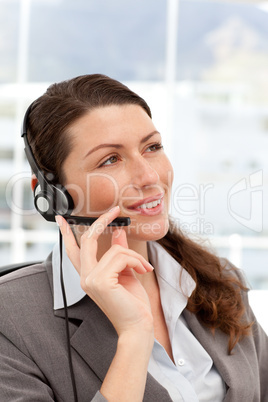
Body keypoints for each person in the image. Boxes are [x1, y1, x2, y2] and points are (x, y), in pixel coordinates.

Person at [0, 74, 267, 402]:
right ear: (53, 194)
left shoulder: (219, 279)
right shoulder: (9, 320)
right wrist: (133, 339)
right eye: (111, 159)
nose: (150, 176)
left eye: (152, 147)